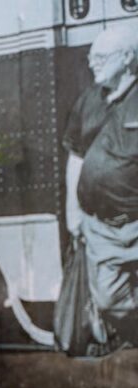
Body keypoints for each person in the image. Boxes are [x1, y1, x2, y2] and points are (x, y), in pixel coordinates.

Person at [62, 22, 138, 351]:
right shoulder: (89, 100)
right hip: (102, 227)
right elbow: (75, 157)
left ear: (127, 59)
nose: (93, 63)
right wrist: (73, 211)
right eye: (91, 57)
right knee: (108, 298)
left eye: (102, 57)